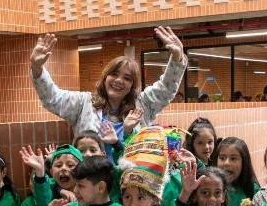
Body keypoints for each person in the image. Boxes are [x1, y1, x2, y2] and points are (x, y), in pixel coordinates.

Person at [30, 27, 187, 143]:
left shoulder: (143, 104)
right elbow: (52, 98)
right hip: (93, 181)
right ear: (105, 77)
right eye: (114, 74)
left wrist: (177, 58)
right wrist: (37, 68)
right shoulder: (84, 103)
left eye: (127, 78)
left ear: (132, 85)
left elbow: (166, 88)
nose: (119, 80)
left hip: (132, 182)